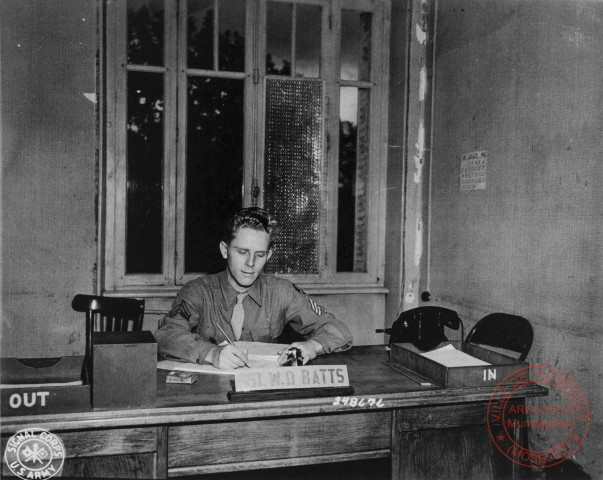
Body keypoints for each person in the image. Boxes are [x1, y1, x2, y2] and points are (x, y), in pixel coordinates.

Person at [155, 207, 353, 369]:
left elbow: (338, 330)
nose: (251, 263)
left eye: (259, 255)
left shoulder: (281, 292)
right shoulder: (197, 291)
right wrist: (212, 353)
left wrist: (311, 347)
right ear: (225, 250)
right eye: (242, 252)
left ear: (269, 255)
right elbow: (166, 336)